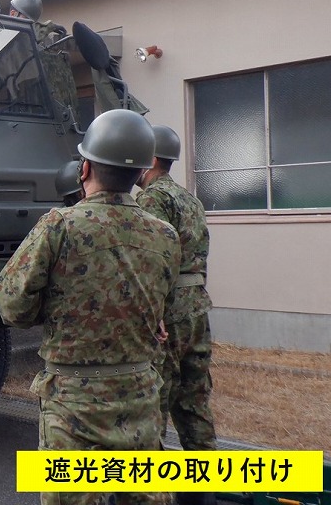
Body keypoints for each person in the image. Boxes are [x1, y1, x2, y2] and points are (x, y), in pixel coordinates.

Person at [0, 109, 180, 505]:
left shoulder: (59, 225)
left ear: (85, 167)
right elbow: (159, 306)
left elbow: (11, 304)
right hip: (140, 394)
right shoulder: (165, 234)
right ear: (142, 172)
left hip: (73, 400)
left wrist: (53, 310)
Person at [136, 125, 217, 505]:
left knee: (156, 398)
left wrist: (154, 313)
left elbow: (152, 260)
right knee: (195, 399)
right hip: (198, 305)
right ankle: (203, 495)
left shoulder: (153, 199)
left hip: (169, 306)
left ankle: (156, 493)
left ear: (151, 160)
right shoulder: (190, 199)